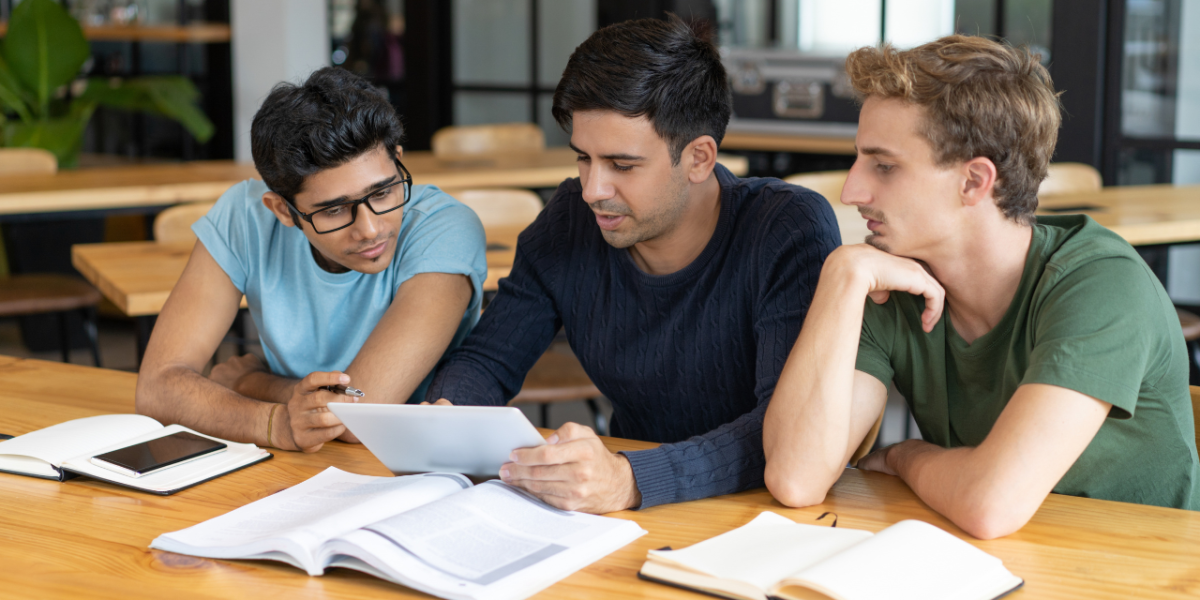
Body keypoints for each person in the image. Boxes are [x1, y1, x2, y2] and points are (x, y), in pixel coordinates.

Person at [762, 35, 1200, 539]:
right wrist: (841, 276)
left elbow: (991, 505)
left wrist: (908, 455)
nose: (851, 191)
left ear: (974, 182)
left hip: (1135, 574)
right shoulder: (893, 279)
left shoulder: (1101, 284)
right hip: (997, 566)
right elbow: (796, 479)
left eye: (884, 166)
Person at [425, 15, 840, 514]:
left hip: (767, 508)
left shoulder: (786, 228)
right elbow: (487, 360)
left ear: (699, 158)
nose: (592, 190)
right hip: (625, 502)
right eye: (583, 158)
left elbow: (781, 428)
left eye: (622, 166)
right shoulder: (570, 220)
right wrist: (449, 415)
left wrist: (630, 480)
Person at [137, 67, 487, 453]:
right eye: (335, 210)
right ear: (282, 211)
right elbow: (157, 388)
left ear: (398, 161)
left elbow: (359, 416)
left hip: (417, 463)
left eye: (384, 191)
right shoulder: (245, 216)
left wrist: (252, 383)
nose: (370, 229)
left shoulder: (445, 227)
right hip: (293, 463)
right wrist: (274, 422)